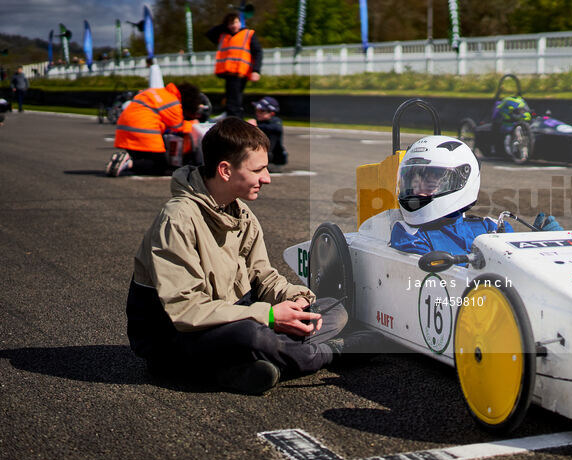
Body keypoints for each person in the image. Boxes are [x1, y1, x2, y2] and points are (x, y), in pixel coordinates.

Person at [126, 118, 377, 395]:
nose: (267, 178)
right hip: (176, 336)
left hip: (235, 317)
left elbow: (263, 277)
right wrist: (268, 316)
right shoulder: (177, 219)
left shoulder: (241, 214)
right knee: (252, 335)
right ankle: (329, 354)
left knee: (332, 310)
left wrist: (297, 299)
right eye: (258, 169)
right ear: (225, 170)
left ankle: (249, 368)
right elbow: (186, 311)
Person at [389, 135, 562, 256]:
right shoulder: (408, 234)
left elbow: (517, 267)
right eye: (412, 184)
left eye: (428, 185)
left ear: (461, 181)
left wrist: (542, 246)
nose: (416, 192)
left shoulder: (489, 228)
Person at [105, 82, 207, 177]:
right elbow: (178, 127)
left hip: (124, 131)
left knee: (144, 160)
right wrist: (193, 123)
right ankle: (130, 163)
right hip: (144, 131)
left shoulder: (155, 92)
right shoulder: (173, 103)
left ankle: (125, 161)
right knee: (160, 166)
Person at [207, 12, 262, 118]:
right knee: (233, 101)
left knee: (233, 102)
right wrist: (224, 25)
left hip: (240, 72)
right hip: (228, 72)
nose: (233, 26)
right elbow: (210, 34)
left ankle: (234, 122)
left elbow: (258, 52)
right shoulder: (223, 35)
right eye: (230, 23)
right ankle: (235, 119)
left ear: (241, 22)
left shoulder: (248, 34)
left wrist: (256, 70)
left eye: (235, 22)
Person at [247, 96, 287, 166]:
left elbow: (277, 128)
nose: (258, 113)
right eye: (257, 110)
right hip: (259, 154)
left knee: (272, 133)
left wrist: (256, 127)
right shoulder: (257, 121)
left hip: (274, 158)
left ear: (271, 113)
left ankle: (266, 158)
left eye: (261, 111)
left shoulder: (275, 122)